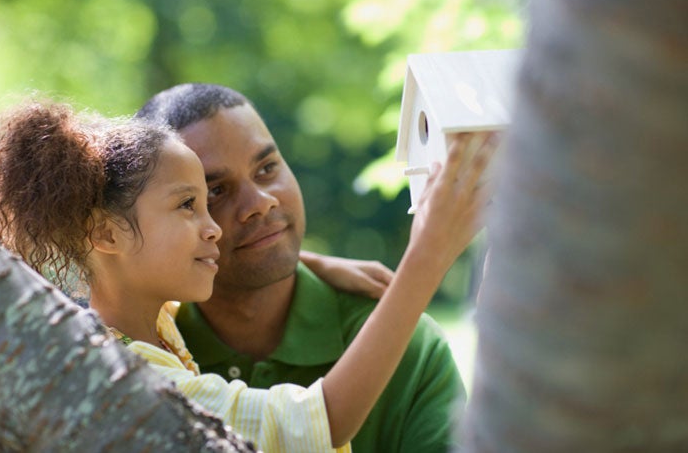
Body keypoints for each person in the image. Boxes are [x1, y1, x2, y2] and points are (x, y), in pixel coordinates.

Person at [0, 99, 494, 452]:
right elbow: (318, 422)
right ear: (105, 234)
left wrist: (302, 260)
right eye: (192, 204)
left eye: (268, 170)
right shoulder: (130, 377)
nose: (215, 227)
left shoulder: (144, 324)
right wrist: (429, 254)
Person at [136, 83, 480, 452]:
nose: (260, 202)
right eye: (215, 191)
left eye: (267, 168)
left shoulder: (409, 345)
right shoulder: (149, 353)